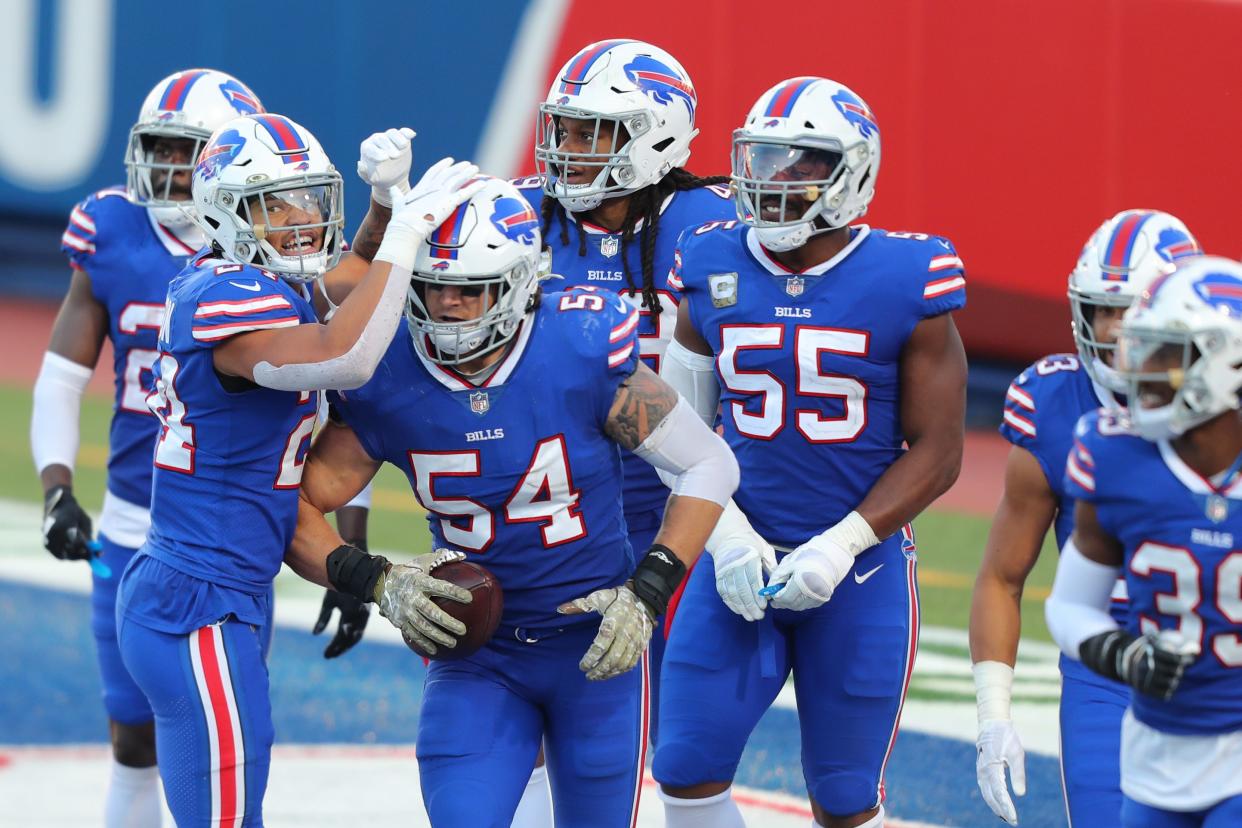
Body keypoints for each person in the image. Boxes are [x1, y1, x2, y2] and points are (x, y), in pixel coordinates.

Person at [286, 175, 738, 827]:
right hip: (478, 654)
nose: (445, 305)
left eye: (469, 289)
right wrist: (376, 580)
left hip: (593, 650)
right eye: (430, 284)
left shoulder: (579, 345)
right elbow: (295, 506)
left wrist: (649, 590)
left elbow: (708, 463)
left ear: (521, 281)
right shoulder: (385, 371)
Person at [114, 111, 483, 825]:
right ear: (227, 213)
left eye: (311, 199)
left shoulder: (252, 285)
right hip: (197, 601)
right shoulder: (223, 295)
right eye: (278, 205)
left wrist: (382, 206)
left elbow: (339, 282)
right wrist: (405, 238)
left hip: (223, 592)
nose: (303, 219)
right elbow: (345, 350)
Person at [652, 76, 968, 828]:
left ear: (852, 172)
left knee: (845, 794)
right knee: (685, 766)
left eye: (799, 164)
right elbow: (673, 432)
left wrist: (840, 545)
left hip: (858, 569)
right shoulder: (708, 258)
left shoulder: (906, 276)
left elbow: (941, 451)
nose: (772, 181)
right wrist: (725, 537)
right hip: (738, 558)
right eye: (761, 160)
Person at [30, 68, 264, 828]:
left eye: (181, 151)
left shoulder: (265, 243)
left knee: (225, 740)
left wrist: (346, 527)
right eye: (156, 149)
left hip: (229, 539)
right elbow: (63, 378)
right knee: (133, 738)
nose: (164, 169)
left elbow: (337, 398)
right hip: (133, 526)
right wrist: (57, 488)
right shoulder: (114, 231)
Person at [512, 36, 736, 821]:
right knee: (554, 733)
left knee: (683, 751)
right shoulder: (518, 217)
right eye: (562, 129)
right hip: (555, 518)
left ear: (657, 137)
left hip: (680, 517)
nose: (565, 150)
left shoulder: (714, 227)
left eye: (590, 133)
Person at [969, 210, 1201, 825]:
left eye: (1131, 312)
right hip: (1106, 665)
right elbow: (1003, 576)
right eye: (1103, 311)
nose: (1114, 331)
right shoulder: (1057, 408)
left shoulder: (1224, 408)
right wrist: (994, 714)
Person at [1046, 256, 1242, 827]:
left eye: (1165, 353)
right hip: (1155, 755)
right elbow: (1071, 605)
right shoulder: (1114, 456)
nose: (1141, 370)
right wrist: (1122, 653)